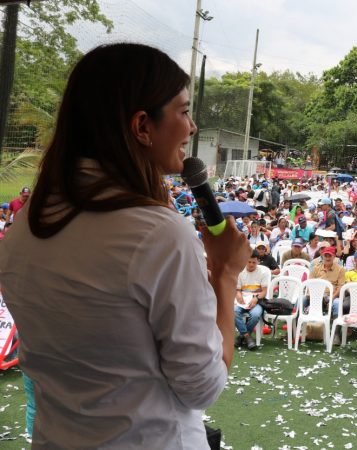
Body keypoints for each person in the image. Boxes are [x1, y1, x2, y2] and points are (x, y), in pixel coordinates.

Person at [0, 43, 251, 448]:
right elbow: (202, 387)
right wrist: (225, 274)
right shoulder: (160, 236)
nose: (192, 128)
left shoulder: (24, 226)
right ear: (142, 127)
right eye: (184, 112)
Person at [235, 251, 270, 350]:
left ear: (258, 261)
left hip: (257, 300)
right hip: (242, 300)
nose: (251, 264)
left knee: (255, 315)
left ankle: (242, 336)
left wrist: (256, 298)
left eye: (254, 262)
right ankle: (247, 336)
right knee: (234, 312)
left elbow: (264, 291)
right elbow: (237, 290)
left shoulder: (263, 272)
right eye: (249, 262)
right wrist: (238, 295)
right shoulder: (240, 272)